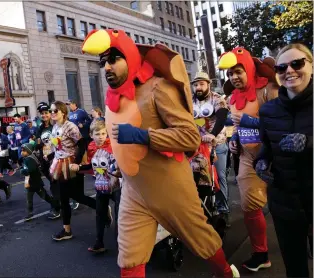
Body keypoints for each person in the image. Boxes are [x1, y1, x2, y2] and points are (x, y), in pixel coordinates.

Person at [82, 29, 239, 277]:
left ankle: (226, 274)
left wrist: (143, 136)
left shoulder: (157, 88)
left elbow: (189, 136)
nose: (107, 68)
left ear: (130, 57)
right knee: (130, 260)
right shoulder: (113, 97)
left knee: (203, 240)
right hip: (134, 192)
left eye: (113, 59)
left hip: (170, 187)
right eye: (103, 62)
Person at [218, 47, 279, 271]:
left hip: (276, 156)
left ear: (249, 69)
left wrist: (250, 122)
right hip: (247, 158)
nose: (234, 76)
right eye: (230, 73)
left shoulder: (268, 89)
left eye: (238, 71)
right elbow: (237, 125)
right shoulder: (232, 97)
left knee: (292, 205)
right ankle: (261, 254)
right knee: (249, 207)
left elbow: (281, 123)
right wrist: (234, 139)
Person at [255, 43, 313, 277]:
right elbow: (267, 147)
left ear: (311, 66)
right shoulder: (268, 110)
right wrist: (261, 162)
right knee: (295, 269)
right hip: (284, 201)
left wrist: (309, 143)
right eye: (281, 67)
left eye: (297, 63)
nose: (289, 71)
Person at [70, 120, 120, 253]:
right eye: (97, 134)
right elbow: (93, 166)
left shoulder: (113, 146)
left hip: (116, 186)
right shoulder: (91, 147)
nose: (101, 136)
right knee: (99, 213)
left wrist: (116, 174)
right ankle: (99, 242)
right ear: (91, 135)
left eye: (104, 133)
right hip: (101, 184)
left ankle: (121, 244)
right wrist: (79, 167)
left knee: (120, 214)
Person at [49, 101, 96, 241]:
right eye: (51, 111)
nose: (52, 113)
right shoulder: (55, 126)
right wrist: (50, 155)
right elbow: (58, 146)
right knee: (64, 198)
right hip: (59, 163)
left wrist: (75, 163)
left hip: (70, 164)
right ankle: (67, 230)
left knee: (77, 196)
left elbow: (82, 144)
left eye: (54, 111)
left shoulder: (70, 126)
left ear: (63, 112)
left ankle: (102, 208)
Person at [191, 72, 230, 226]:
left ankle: (223, 210)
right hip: (196, 148)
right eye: (195, 85)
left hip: (216, 145)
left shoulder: (217, 99)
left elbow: (221, 117)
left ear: (208, 84)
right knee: (195, 179)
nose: (198, 87)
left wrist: (212, 134)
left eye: (201, 84)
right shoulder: (189, 101)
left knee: (218, 178)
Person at [20, 142, 61, 221]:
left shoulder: (30, 159)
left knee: (45, 196)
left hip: (36, 183)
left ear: (28, 151)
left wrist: (23, 171)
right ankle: (30, 213)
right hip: (30, 183)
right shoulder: (27, 158)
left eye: (24, 150)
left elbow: (30, 170)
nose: (22, 152)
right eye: (22, 150)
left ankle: (56, 205)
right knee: (29, 198)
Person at [35, 101, 61, 219]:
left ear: (50, 113)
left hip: (56, 159)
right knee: (53, 183)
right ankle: (61, 202)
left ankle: (57, 207)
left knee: (54, 184)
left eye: (46, 113)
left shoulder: (56, 126)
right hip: (44, 160)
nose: (44, 115)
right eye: (42, 113)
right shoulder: (39, 129)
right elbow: (37, 144)